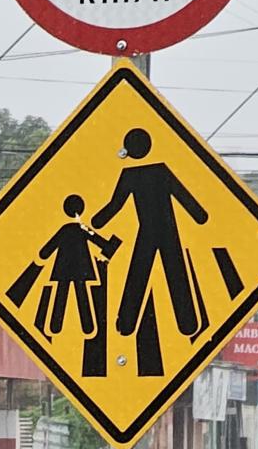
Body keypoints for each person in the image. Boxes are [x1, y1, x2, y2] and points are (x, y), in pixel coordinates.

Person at [93, 128, 209, 341]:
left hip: (148, 231)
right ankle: (187, 323)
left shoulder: (130, 175)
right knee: (175, 272)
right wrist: (199, 215)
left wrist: (97, 221)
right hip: (167, 229)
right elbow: (183, 196)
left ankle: (126, 323)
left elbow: (115, 205)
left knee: (139, 273)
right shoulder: (160, 171)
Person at [36, 195, 116, 338]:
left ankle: (55, 325)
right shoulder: (83, 228)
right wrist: (110, 245)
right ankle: (88, 327)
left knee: (61, 294)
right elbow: (98, 241)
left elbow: (48, 248)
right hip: (81, 268)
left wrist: (44, 254)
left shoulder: (65, 229)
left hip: (63, 268)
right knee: (81, 294)